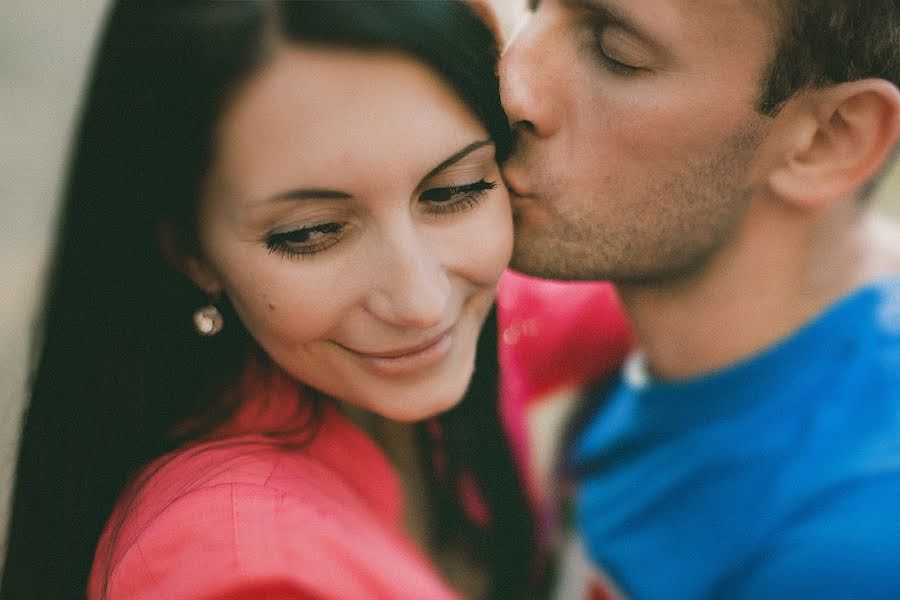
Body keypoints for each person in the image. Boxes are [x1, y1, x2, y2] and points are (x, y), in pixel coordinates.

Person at [0, 2, 546, 599]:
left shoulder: (393, 366)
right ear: (192, 252)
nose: (420, 301)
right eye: (311, 232)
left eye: (454, 192)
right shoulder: (248, 578)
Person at [500, 0, 900, 598]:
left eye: (616, 52)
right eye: (532, 4)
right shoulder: (682, 328)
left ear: (827, 138)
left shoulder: (849, 546)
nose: (511, 80)